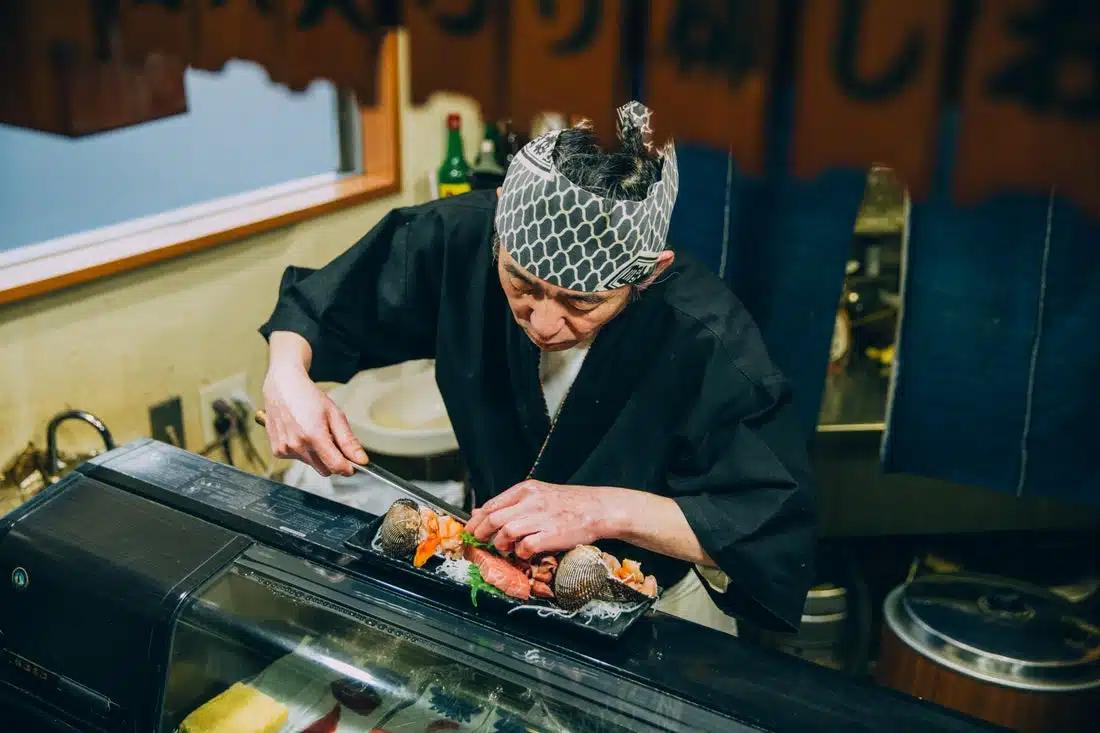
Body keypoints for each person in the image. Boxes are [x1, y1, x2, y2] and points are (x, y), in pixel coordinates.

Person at [259, 102, 816, 633]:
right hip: (494, 579)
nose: (545, 323)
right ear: (500, 217)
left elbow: (766, 526)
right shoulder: (465, 237)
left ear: (649, 273)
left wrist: (605, 510)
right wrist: (286, 377)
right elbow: (321, 306)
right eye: (522, 284)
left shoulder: (708, 337)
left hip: (652, 608)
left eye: (582, 302)